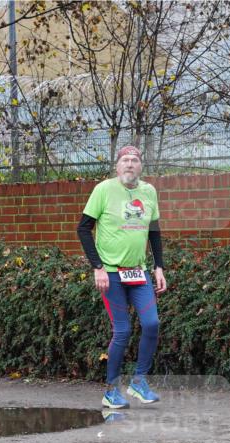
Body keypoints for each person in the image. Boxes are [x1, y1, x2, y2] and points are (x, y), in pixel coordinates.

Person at [77, 146, 167, 409]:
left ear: (141, 166)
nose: (130, 164)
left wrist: (159, 266)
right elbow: (83, 228)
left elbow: (154, 232)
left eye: (135, 160)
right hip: (112, 274)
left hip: (138, 272)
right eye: (125, 160)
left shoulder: (149, 192)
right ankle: (111, 391)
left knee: (151, 324)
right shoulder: (103, 190)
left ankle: (139, 381)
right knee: (123, 330)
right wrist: (97, 267)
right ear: (117, 166)